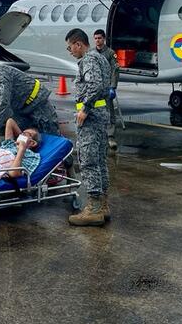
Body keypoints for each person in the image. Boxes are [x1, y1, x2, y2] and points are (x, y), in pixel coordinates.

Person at [65, 28, 111, 226]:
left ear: (78, 44)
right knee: (100, 161)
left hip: (91, 118)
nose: (70, 52)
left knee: (89, 161)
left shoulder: (89, 60)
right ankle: (102, 204)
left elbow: (95, 85)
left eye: (70, 48)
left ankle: (93, 208)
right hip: (100, 116)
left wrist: (85, 108)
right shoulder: (100, 58)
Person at [93, 29, 120, 151]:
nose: (97, 40)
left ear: (104, 39)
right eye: (96, 38)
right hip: (95, 88)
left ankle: (110, 136)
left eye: (99, 38)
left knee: (109, 112)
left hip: (106, 87)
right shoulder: (92, 53)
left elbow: (115, 70)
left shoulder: (110, 53)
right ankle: (98, 135)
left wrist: (113, 87)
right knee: (95, 111)